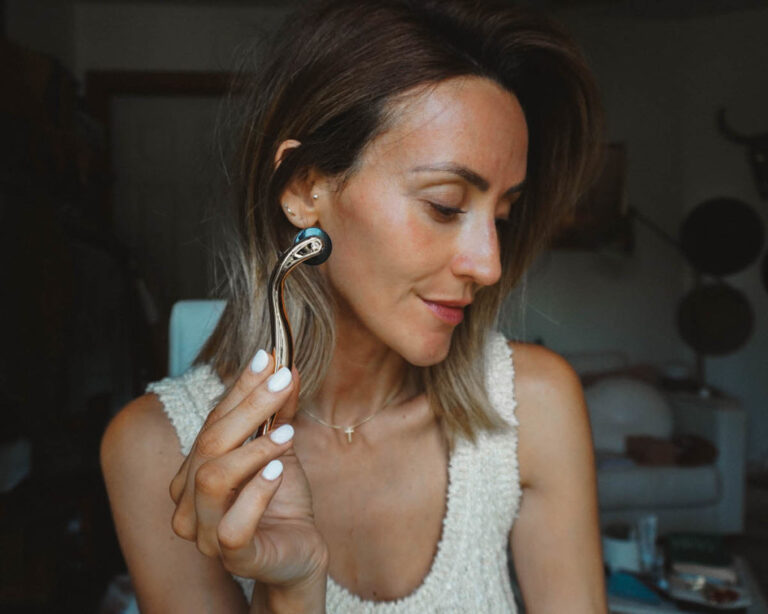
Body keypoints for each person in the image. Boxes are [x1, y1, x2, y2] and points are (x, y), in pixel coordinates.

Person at [101, 0, 607, 611]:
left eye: (502, 216)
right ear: (303, 187)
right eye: (445, 205)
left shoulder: (533, 407)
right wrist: (291, 589)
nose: (490, 265)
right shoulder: (157, 451)